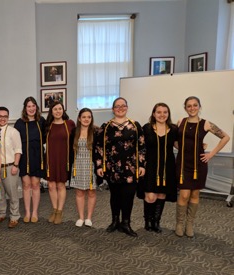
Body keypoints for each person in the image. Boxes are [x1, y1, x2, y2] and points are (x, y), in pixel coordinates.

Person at [175, 96, 230, 237]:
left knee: (194, 193)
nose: (192, 108)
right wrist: (183, 148)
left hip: (198, 165)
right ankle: (179, 223)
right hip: (182, 163)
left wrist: (211, 154)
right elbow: (175, 141)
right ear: (185, 108)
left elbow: (226, 137)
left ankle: (189, 224)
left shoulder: (206, 124)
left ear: (199, 107)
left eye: (195, 105)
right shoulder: (180, 121)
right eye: (189, 106)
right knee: (184, 194)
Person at [95, 97, 146, 237]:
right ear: (113, 109)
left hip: (131, 168)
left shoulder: (135, 126)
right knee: (115, 196)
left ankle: (126, 223)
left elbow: (141, 147)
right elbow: (99, 148)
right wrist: (99, 166)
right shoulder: (106, 127)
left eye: (123, 106)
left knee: (128, 196)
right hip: (112, 168)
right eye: (117, 106)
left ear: (127, 107)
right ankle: (115, 221)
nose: (120, 108)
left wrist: (142, 165)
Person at [138, 103, 178, 233]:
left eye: (165, 112)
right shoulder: (147, 128)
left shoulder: (174, 129)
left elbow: (180, 145)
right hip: (150, 167)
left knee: (161, 194)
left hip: (167, 167)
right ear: (154, 114)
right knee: (150, 196)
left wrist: (200, 146)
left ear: (168, 114)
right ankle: (148, 221)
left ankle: (156, 221)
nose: (162, 115)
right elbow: (140, 147)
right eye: (159, 112)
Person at [14, 97, 46, 223]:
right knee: (26, 185)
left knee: (36, 185)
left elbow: (47, 136)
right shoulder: (19, 123)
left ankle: (35, 212)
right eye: (29, 106)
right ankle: (27, 212)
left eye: (33, 106)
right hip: (24, 157)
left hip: (37, 156)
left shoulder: (41, 121)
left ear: (36, 107)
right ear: (25, 108)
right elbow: (15, 142)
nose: (31, 108)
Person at [44, 101, 76, 224]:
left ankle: (60, 211)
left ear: (63, 110)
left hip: (64, 159)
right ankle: (54, 209)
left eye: (60, 108)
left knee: (61, 185)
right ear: (51, 111)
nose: (58, 111)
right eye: (55, 109)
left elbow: (78, 136)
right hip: (51, 159)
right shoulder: (48, 125)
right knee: (51, 185)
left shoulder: (69, 124)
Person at [0, 107, 22, 229]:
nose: (2, 118)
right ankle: (1, 213)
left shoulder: (13, 132)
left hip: (10, 167)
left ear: (8, 118)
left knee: (13, 193)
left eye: (5, 116)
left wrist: (15, 165)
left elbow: (18, 150)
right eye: (0, 116)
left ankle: (14, 216)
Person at [69, 108, 98, 227]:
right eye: (84, 117)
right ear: (79, 119)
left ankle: (89, 218)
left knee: (91, 192)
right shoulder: (74, 132)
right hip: (78, 165)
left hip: (91, 166)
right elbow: (70, 151)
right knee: (79, 192)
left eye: (89, 117)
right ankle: (81, 217)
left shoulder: (95, 132)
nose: (86, 119)